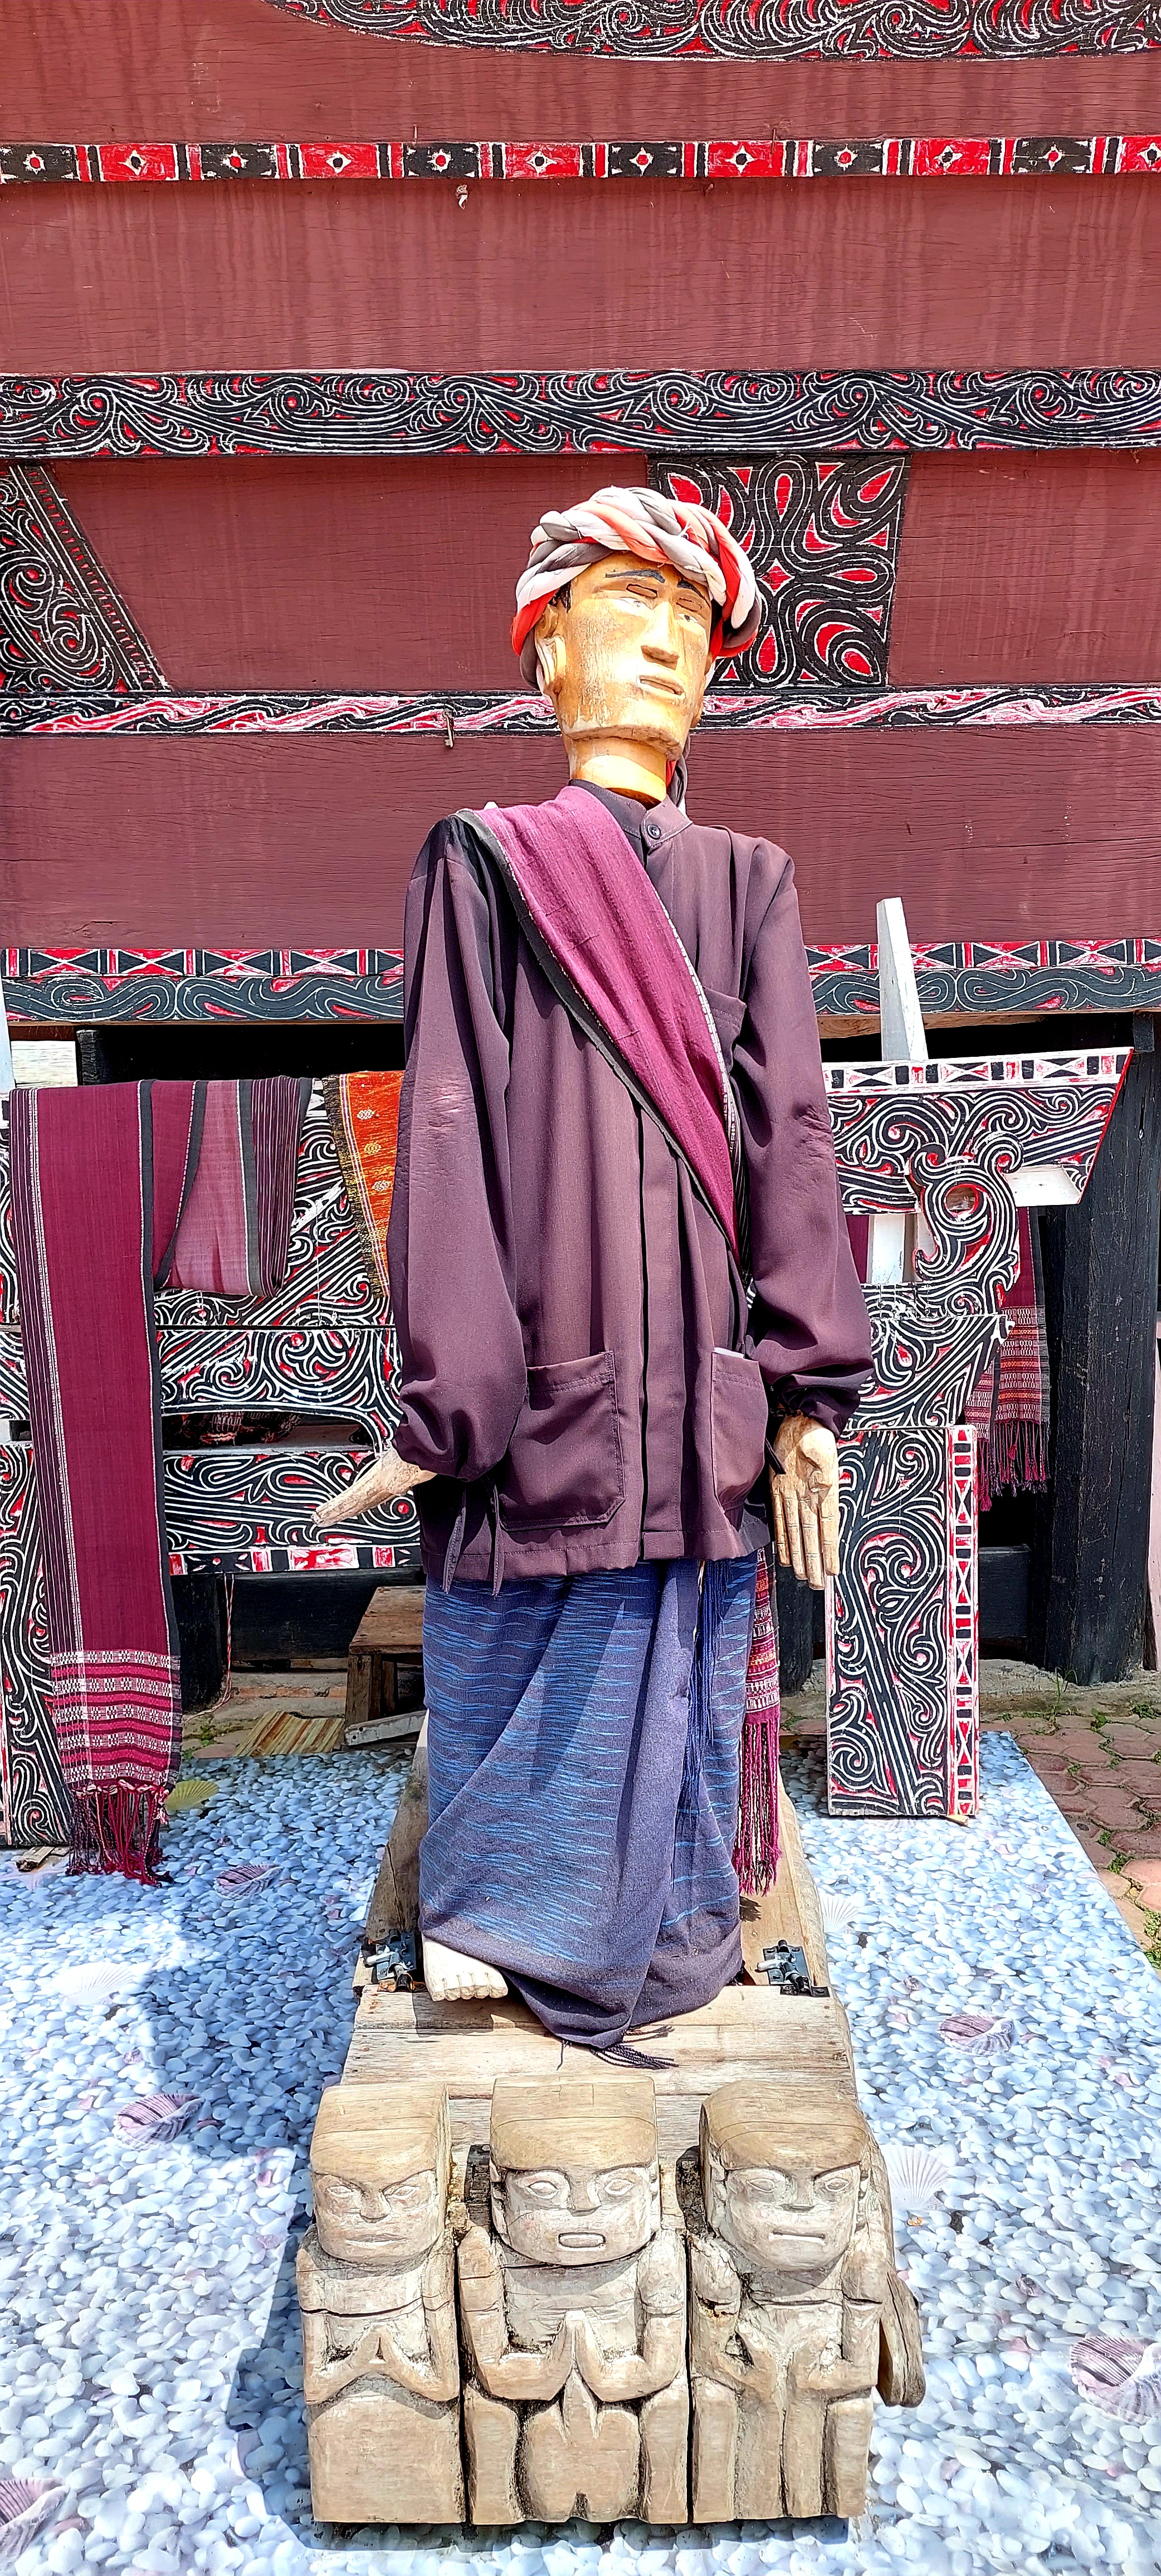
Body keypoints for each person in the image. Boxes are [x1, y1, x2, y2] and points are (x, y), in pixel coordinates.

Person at [318, 486, 871, 2048]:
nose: (668, 640)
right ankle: (497, 1917)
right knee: (533, 1636)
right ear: (546, 645)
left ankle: (673, 1915)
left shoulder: (747, 879)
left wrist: (804, 1392)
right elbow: (450, 1128)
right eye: (629, 602)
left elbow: (789, 1131)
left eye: (694, 618)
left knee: (685, 1661)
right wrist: (450, 1406)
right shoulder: (486, 865)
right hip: (544, 1351)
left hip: (696, 1367)